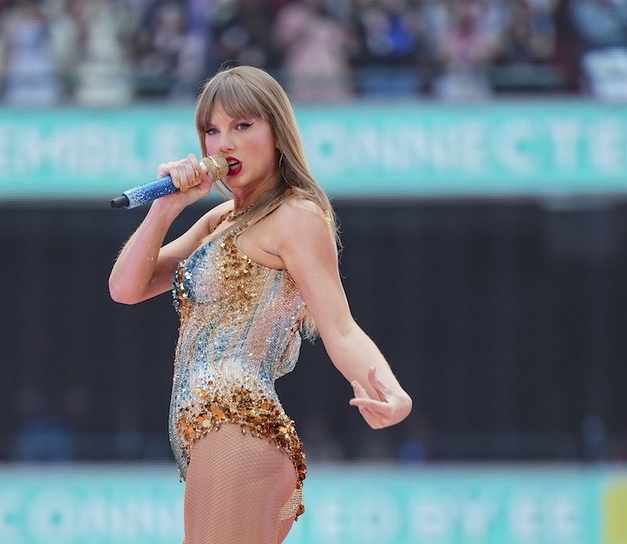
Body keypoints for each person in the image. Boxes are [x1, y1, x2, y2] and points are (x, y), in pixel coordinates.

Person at [108, 65, 413, 544]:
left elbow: (341, 326)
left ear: (277, 133)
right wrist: (165, 208)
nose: (223, 143)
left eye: (242, 126)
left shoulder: (296, 216)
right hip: (209, 433)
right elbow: (126, 287)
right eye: (212, 130)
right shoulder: (219, 220)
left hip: (238, 426)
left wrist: (391, 390)